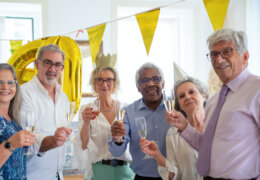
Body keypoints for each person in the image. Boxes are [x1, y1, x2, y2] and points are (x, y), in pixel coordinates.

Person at [167, 28, 260, 179]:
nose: (219, 59)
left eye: (227, 51)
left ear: (245, 56)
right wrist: (184, 126)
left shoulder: (256, 90)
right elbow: (206, 148)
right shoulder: (214, 100)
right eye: (214, 54)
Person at [108, 62, 170, 179]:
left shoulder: (175, 108)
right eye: (144, 81)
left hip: (175, 176)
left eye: (155, 79)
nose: (151, 84)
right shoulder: (128, 112)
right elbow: (116, 152)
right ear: (138, 87)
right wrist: (118, 139)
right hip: (142, 177)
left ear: (163, 83)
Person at [140, 77, 208, 180]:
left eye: (192, 92)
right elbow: (174, 175)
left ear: (203, 96)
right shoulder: (172, 133)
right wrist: (158, 155)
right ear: (179, 105)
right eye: (182, 96)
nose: (187, 97)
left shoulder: (219, 125)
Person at [20, 44, 72, 180]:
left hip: (58, 175)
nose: (52, 69)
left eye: (57, 65)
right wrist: (53, 141)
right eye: (48, 63)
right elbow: (27, 139)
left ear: (62, 68)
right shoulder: (23, 93)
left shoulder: (64, 97)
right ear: (37, 64)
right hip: (33, 176)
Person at [73, 66, 134, 180]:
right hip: (99, 171)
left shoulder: (126, 108)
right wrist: (86, 123)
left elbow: (133, 140)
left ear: (115, 83)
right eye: (99, 79)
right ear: (94, 83)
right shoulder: (86, 109)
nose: (104, 84)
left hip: (125, 170)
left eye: (109, 79)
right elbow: (84, 145)